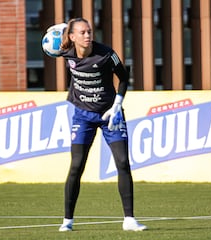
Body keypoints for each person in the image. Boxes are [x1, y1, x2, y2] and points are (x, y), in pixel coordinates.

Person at [50, 18, 147, 232]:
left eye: (89, 31)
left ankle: (129, 219)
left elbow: (123, 77)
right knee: (76, 165)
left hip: (110, 114)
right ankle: (67, 221)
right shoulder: (65, 51)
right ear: (72, 37)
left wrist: (117, 104)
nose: (87, 35)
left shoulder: (105, 54)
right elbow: (50, 45)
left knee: (122, 162)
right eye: (82, 32)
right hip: (82, 116)